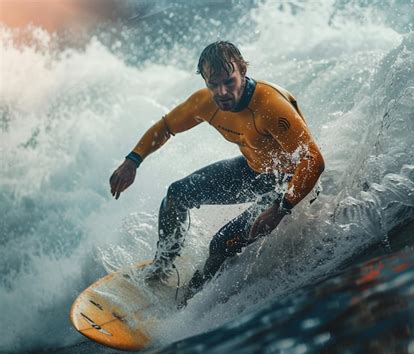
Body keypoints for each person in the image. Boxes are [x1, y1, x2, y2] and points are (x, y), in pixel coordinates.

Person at [109, 41, 325, 302]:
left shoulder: (270, 106)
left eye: (229, 82)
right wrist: (133, 160)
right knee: (177, 194)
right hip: (253, 171)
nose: (221, 92)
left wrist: (282, 207)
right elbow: (165, 127)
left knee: (221, 243)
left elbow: (313, 160)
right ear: (205, 80)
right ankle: (162, 268)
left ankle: (190, 300)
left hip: (288, 185)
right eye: (213, 84)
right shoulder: (204, 102)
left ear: (243, 71)